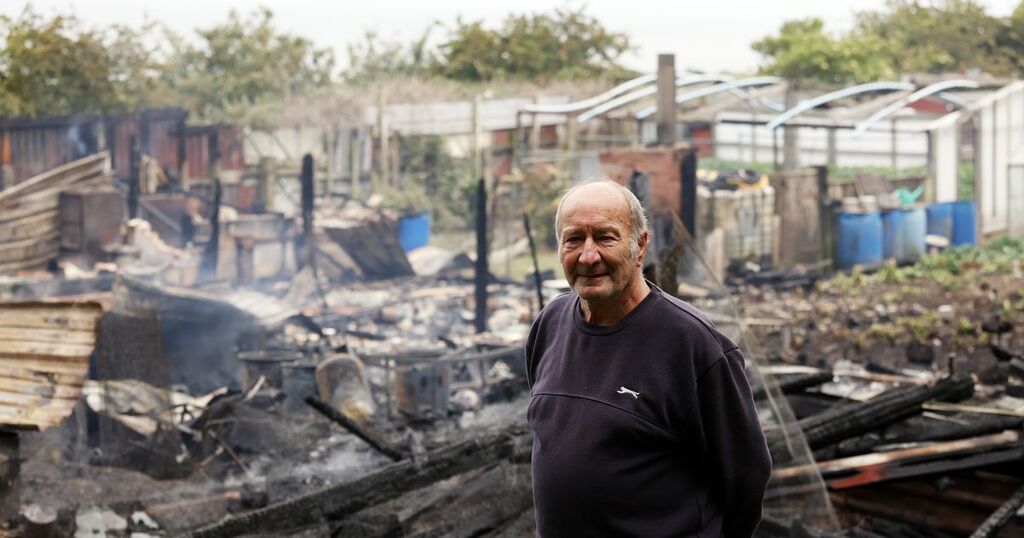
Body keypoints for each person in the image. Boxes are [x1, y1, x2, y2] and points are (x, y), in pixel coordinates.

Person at [525, 180, 771, 537]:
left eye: (606, 238)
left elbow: (746, 476)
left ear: (640, 246)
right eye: (574, 238)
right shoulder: (550, 324)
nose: (588, 256)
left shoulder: (692, 344)